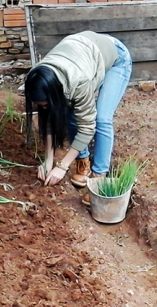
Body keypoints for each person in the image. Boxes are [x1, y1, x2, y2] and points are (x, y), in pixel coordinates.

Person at [24, 31, 132, 191]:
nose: (43, 107)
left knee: (101, 118)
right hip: (83, 51)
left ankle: (99, 177)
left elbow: (87, 127)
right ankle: (83, 161)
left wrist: (62, 166)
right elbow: (48, 117)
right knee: (71, 115)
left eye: (45, 104)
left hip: (115, 58)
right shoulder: (38, 77)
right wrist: (48, 160)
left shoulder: (79, 82)